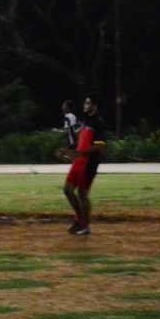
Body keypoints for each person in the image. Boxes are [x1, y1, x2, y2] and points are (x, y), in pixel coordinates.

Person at [55, 93, 107, 235]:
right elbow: (80, 142)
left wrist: (80, 152)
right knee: (67, 189)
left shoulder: (98, 122)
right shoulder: (87, 121)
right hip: (78, 161)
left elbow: (100, 146)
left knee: (82, 193)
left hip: (89, 163)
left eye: (88, 103)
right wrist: (67, 149)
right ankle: (79, 219)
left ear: (94, 106)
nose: (85, 106)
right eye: (85, 103)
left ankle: (85, 225)